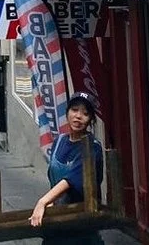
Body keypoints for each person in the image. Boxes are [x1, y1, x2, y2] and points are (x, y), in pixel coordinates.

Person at [30, 93, 105, 239]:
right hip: (56, 219)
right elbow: (54, 179)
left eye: (85, 113)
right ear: (67, 113)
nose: (78, 116)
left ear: (91, 119)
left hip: (81, 221)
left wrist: (43, 201)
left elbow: (70, 180)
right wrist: (50, 204)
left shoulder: (92, 147)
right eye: (74, 110)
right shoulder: (59, 141)